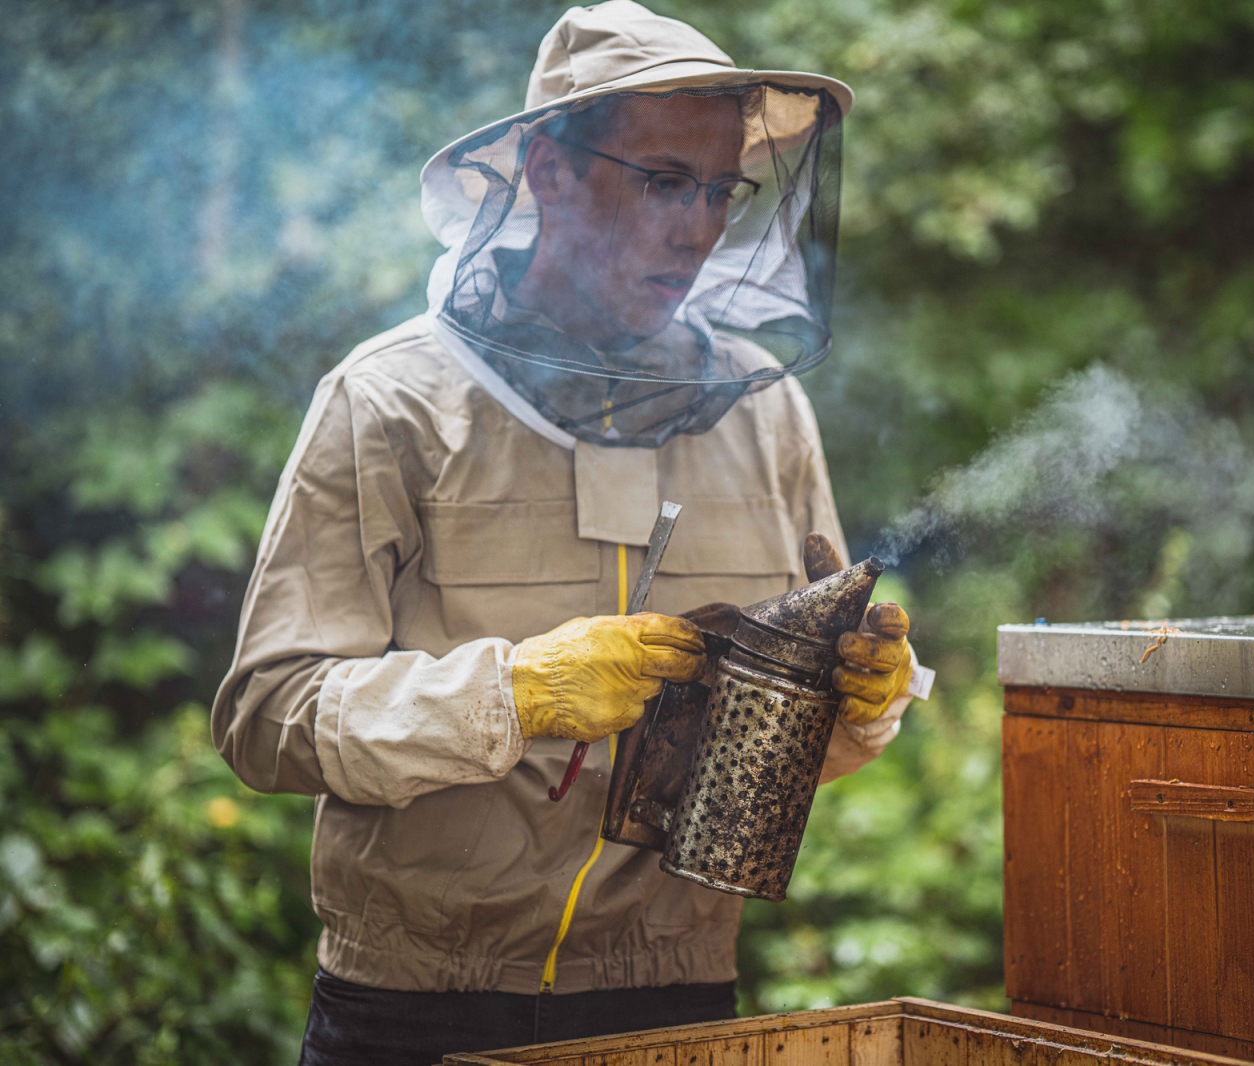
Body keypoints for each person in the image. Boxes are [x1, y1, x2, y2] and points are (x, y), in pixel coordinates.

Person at [210, 3, 930, 1064]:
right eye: (659, 181)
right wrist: (510, 695)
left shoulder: (763, 411)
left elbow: (778, 734)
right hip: (416, 1007)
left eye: (718, 190)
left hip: (677, 996)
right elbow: (269, 718)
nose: (695, 229)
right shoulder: (393, 401)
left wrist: (860, 703)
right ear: (548, 173)